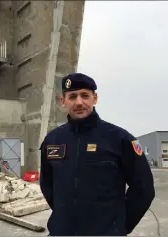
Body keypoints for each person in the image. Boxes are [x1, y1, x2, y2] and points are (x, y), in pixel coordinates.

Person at [39, 73, 155, 236]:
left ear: (95, 98)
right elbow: (47, 184)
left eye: (85, 95)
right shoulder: (52, 140)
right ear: (63, 102)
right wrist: (64, 216)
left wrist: (119, 227)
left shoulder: (119, 139)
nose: (79, 102)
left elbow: (143, 189)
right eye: (72, 96)